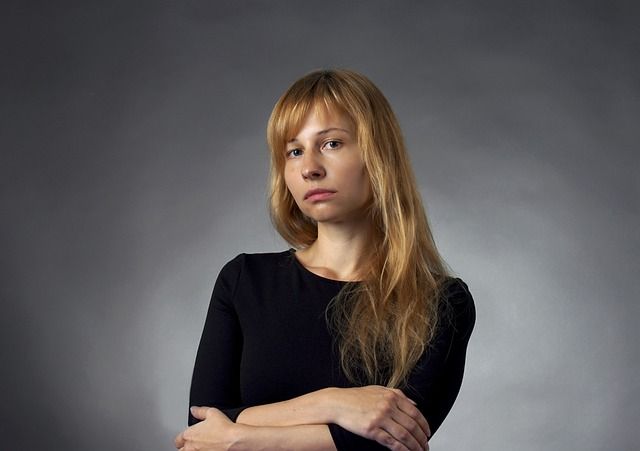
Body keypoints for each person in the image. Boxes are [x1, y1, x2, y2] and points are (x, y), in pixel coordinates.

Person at [174, 69, 475, 451]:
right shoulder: (244, 280)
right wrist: (335, 402)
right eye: (294, 151)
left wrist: (240, 436)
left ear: (378, 155)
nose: (309, 168)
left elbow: (389, 442)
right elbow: (200, 426)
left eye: (331, 144)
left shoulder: (441, 301)